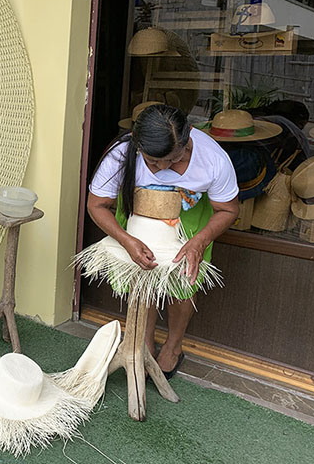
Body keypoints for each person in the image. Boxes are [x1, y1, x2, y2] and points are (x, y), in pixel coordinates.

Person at [87, 104, 239, 377]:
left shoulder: (213, 159)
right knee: (141, 276)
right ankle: (143, 342)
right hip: (138, 215)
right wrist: (126, 240)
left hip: (189, 220)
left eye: (174, 158)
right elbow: (96, 205)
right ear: (136, 143)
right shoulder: (121, 155)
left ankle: (173, 346)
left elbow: (228, 209)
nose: (163, 168)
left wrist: (200, 242)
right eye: (153, 161)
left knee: (182, 283)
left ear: (188, 137)